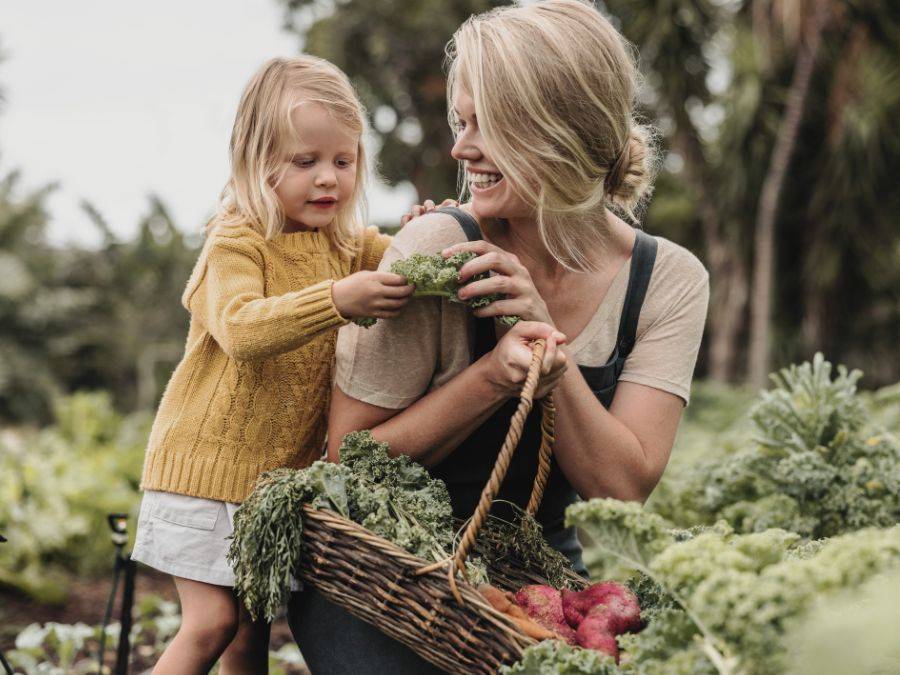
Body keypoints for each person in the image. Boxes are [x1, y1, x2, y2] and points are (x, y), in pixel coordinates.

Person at [288, 1, 710, 672]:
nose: (461, 148)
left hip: (532, 581)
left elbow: (619, 489)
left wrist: (542, 338)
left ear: (559, 129)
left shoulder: (666, 281)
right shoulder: (438, 249)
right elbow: (348, 463)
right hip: (384, 578)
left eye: (487, 125)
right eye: (462, 121)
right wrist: (492, 377)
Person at [131, 55, 413, 674]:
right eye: (305, 162)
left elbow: (409, 259)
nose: (328, 181)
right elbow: (242, 328)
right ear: (257, 164)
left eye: (343, 161)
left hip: (268, 491)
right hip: (202, 473)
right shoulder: (235, 241)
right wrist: (339, 299)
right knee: (212, 624)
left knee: (249, 640)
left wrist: (429, 229)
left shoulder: (349, 244)